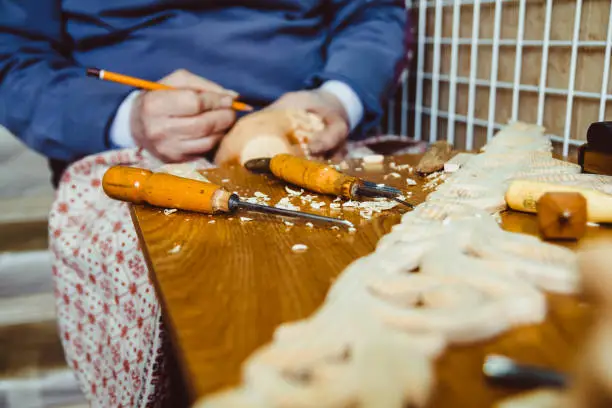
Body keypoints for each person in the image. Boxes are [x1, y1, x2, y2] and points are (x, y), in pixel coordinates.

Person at [0, 1, 411, 407]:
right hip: (127, 147)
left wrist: (341, 95)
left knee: (395, 245)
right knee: (184, 283)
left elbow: (371, 11)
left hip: (314, 129)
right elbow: (13, 57)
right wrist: (124, 117)